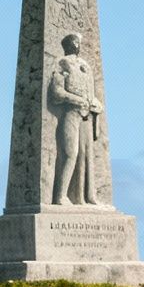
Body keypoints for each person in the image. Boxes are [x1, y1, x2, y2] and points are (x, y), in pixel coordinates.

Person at [48, 32, 102, 206]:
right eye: (74, 42)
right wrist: (77, 100)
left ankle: (88, 196)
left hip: (87, 116)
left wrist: (95, 104)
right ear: (68, 44)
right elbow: (57, 93)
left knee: (87, 156)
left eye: (78, 42)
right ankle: (60, 196)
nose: (77, 45)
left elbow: (91, 93)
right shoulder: (62, 63)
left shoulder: (85, 66)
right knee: (71, 154)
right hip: (71, 113)